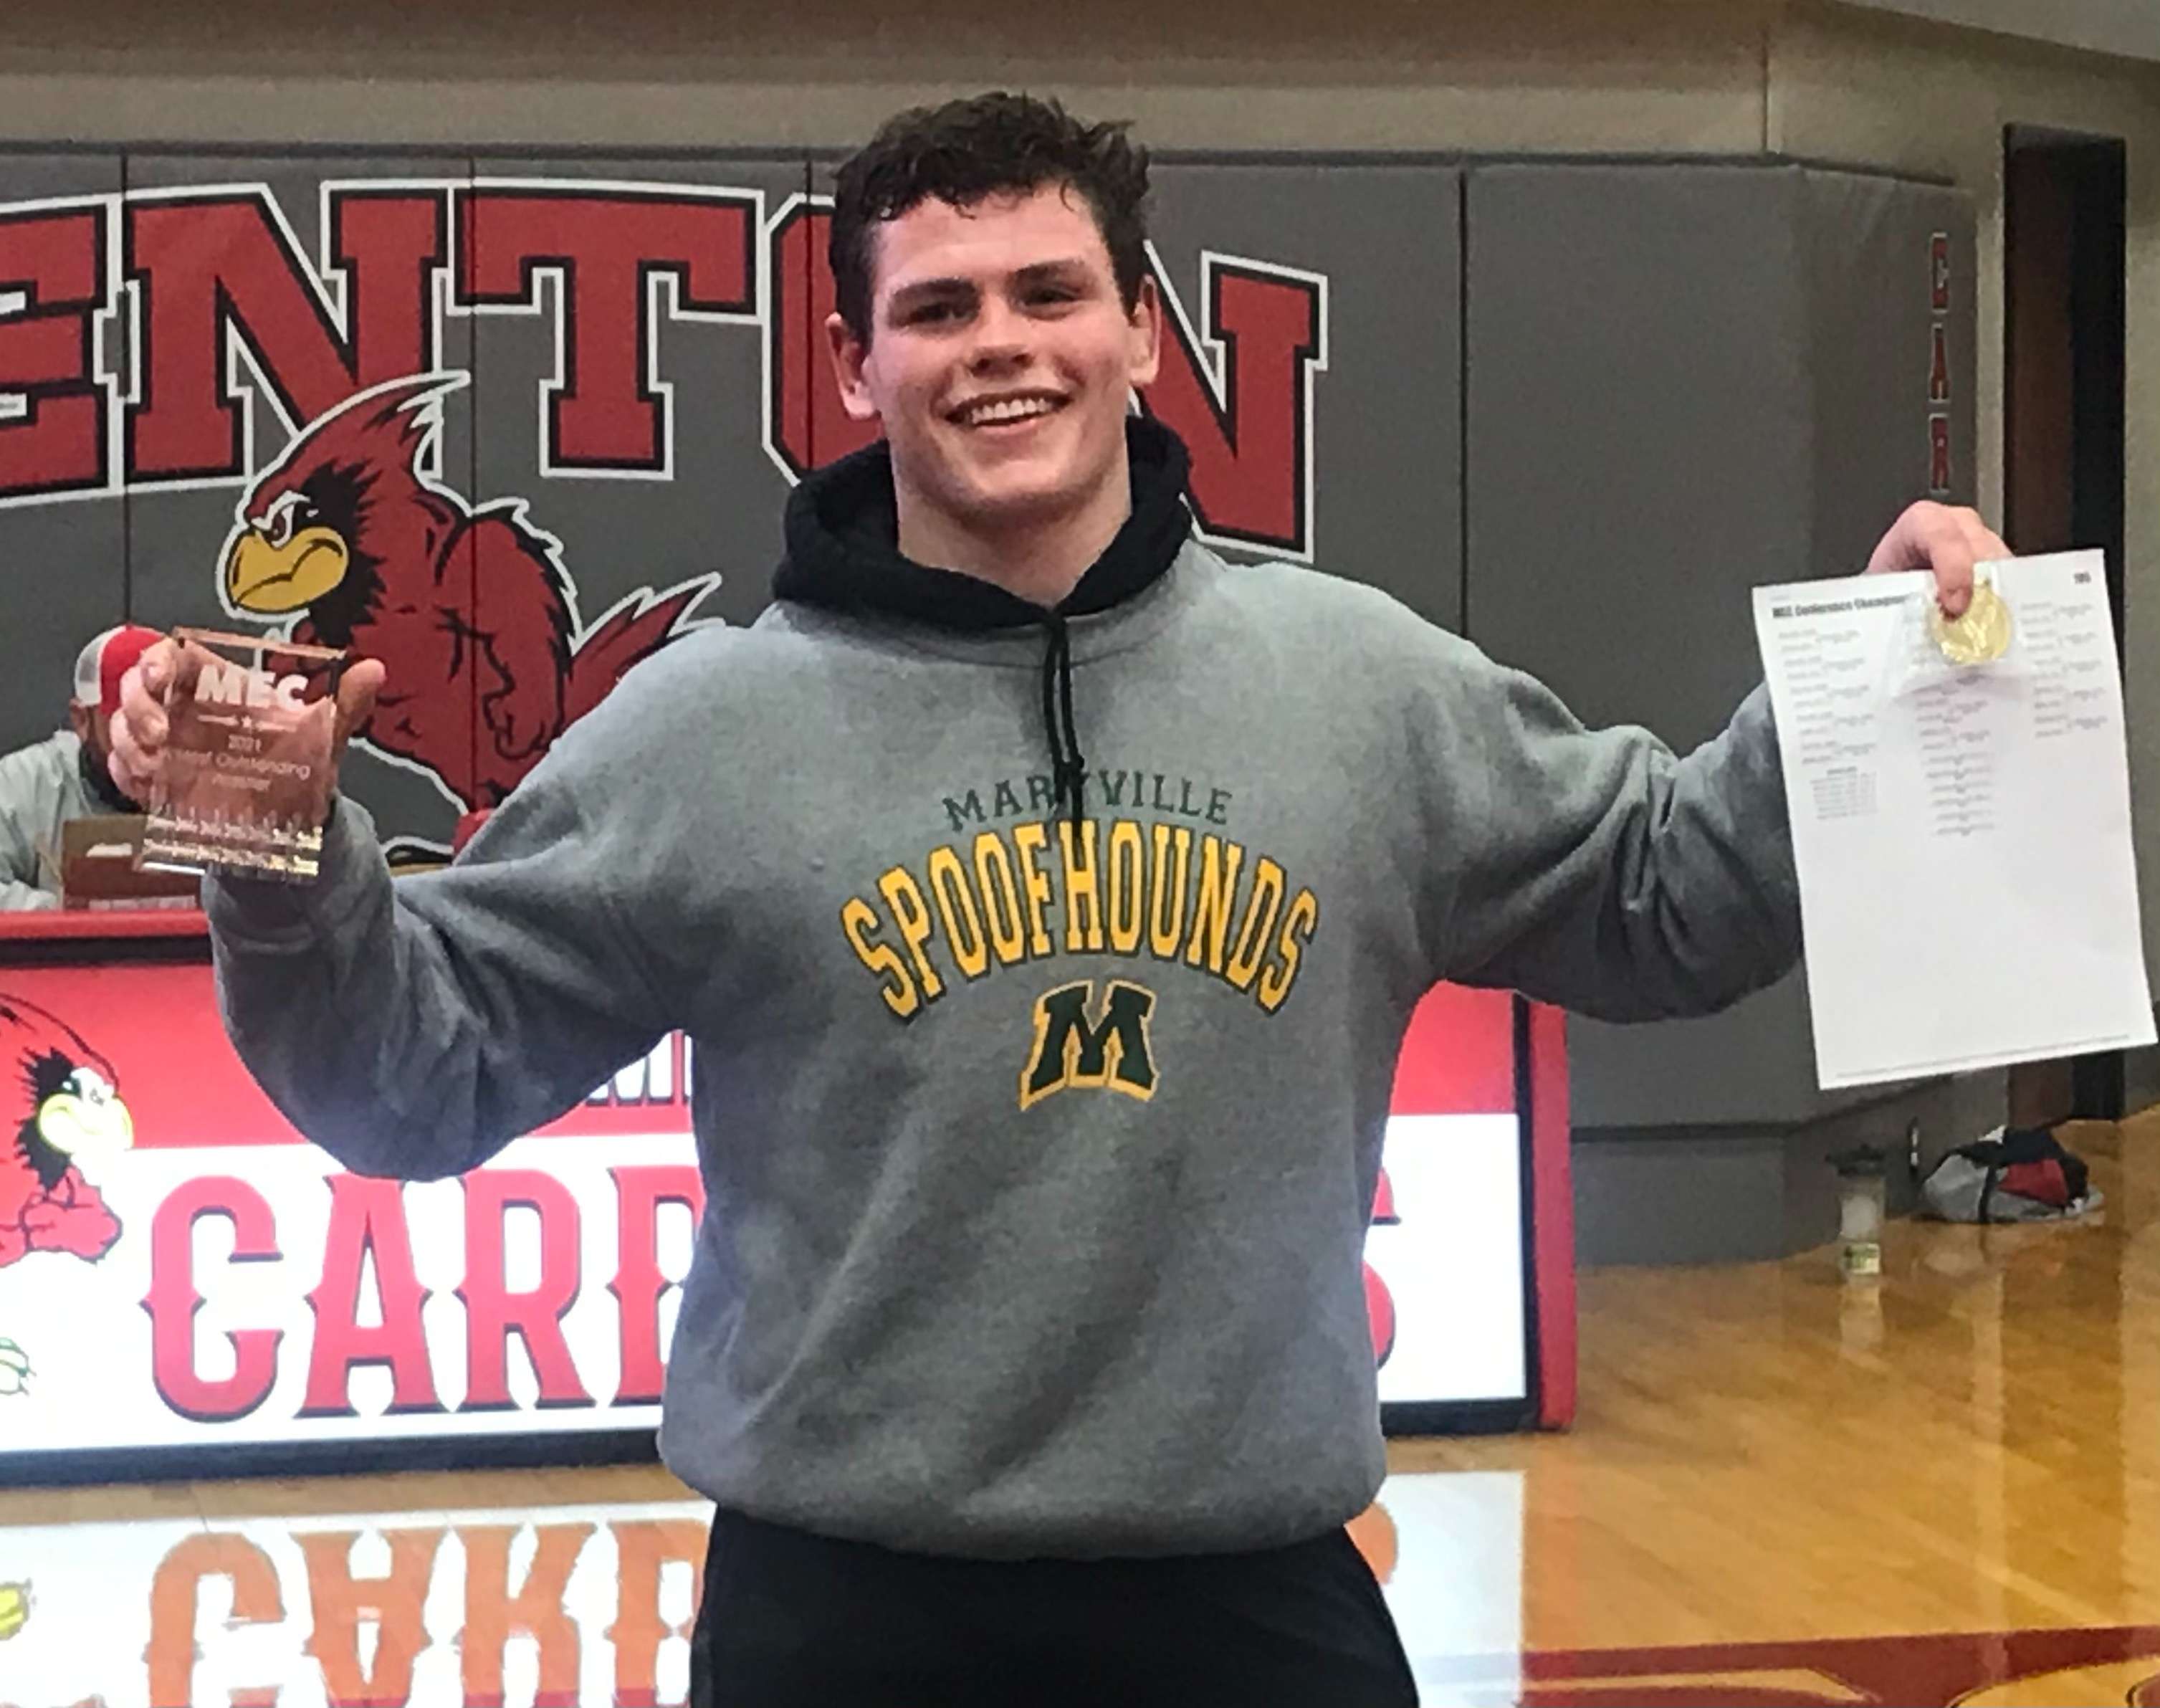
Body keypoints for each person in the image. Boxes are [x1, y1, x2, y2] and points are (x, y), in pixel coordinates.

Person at [112, 94, 2009, 1706]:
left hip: (1252, 1596)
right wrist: (274, 853)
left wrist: (1860, 700)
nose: (995, 342)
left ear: (1138, 335)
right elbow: (410, 1083)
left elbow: (1667, 899)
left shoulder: (1355, 686)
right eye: (932, 307)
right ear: (855, 368)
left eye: (1048, 290)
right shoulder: (701, 731)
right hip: (843, 1613)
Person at [0, 624, 163, 911]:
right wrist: (70, 914)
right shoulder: (23, 783)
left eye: (162, 725)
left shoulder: (211, 787)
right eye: (130, 728)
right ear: (81, 720)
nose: (148, 746)